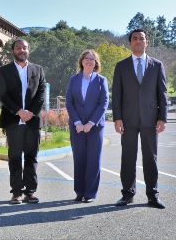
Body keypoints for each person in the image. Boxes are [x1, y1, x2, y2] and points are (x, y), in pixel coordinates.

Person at [113, 28, 167, 209]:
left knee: (150, 158)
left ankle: (153, 195)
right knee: (128, 157)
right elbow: (117, 94)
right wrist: (117, 118)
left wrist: (162, 118)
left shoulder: (157, 65)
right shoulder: (121, 65)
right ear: (130, 43)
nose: (138, 41)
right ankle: (127, 194)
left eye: (141, 39)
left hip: (151, 119)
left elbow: (162, 94)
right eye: (134, 39)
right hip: (127, 119)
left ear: (147, 42)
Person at [0, 39, 45, 204]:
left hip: (32, 121)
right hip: (13, 121)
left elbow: (41, 94)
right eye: (18, 48)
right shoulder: (4, 70)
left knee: (32, 157)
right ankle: (16, 192)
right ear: (13, 51)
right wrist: (19, 112)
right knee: (15, 157)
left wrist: (30, 114)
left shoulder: (38, 70)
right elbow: (3, 95)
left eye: (24, 47)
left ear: (28, 50)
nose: (21, 50)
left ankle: (30, 191)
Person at [65, 50, 109, 203]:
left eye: (92, 59)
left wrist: (91, 123)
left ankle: (90, 193)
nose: (89, 61)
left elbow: (103, 103)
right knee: (79, 158)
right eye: (86, 58)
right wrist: (77, 122)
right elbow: (69, 102)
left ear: (96, 63)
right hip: (77, 127)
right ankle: (79, 191)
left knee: (93, 160)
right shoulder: (73, 79)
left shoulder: (101, 80)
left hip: (95, 127)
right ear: (81, 61)